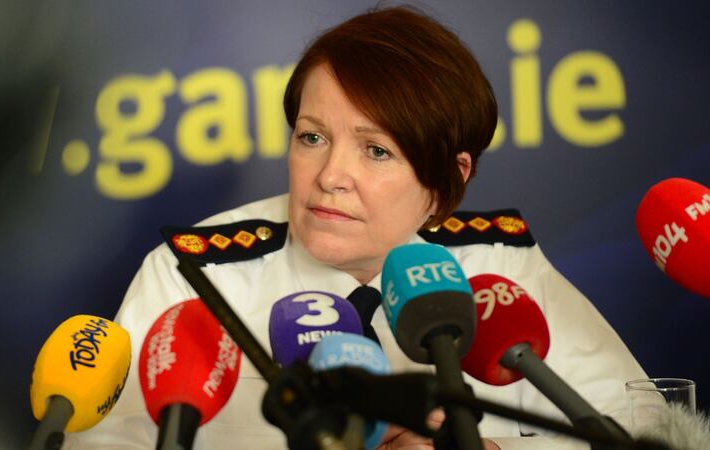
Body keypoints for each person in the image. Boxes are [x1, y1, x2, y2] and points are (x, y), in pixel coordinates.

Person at [64, 6, 646, 450]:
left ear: (446, 180)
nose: (331, 176)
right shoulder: (195, 275)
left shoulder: (502, 266)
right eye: (312, 137)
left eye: (376, 151)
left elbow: (640, 427)